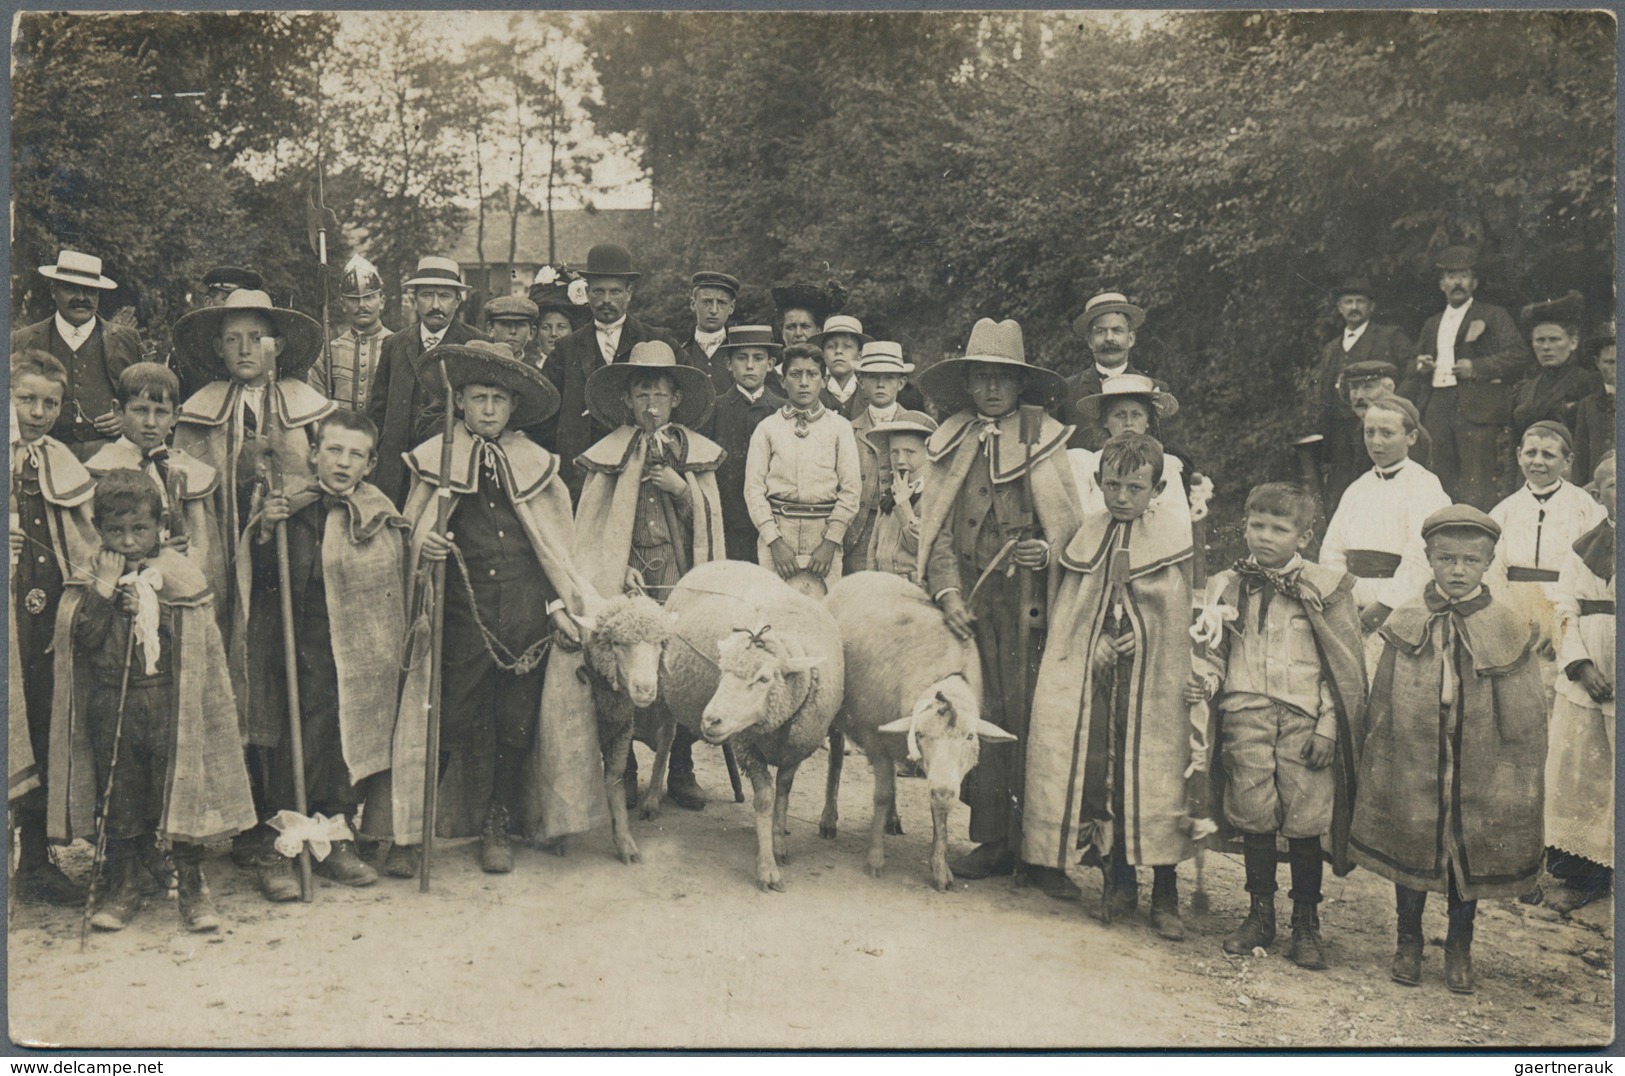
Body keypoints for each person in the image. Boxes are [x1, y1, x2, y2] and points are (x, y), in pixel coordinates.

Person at [378, 341, 597, 878]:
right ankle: (412, 829)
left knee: (516, 723)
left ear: (513, 406)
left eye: (499, 399)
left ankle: (499, 822)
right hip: (463, 613)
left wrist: (556, 605)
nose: (490, 409)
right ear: (460, 403)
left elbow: (553, 549)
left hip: (525, 614)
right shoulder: (436, 460)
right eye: (479, 398)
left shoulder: (536, 464)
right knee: (446, 719)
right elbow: (416, 527)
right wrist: (424, 548)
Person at [169, 288, 335, 880]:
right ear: (217, 347)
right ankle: (245, 824)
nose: (245, 350)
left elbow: (331, 474)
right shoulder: (199, 412)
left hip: (286, 570)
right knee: (235, 682)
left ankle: (292, 817)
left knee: (283, 681)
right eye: (233, 339)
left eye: (256, 338)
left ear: (279, 346)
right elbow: (183, 489)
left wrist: (290, 500)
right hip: (223, 570)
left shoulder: (308, 408)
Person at [1350, 505, 1547, 995]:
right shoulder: (1409, 618)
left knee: (1469, 847)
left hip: (1478, 757)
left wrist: (1514, 768)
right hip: (1416, 752)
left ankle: (1460, 945)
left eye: (1469, 561)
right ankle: (1408, 940)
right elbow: (1383, 697)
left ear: (1487, 563)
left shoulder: (1506, 625)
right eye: (1446, 559)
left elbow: (1525, 715)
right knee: (1413, 838)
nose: (1457, 570)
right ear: (1429, 559)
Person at [49, 470, 256, 932]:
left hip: (166, 701)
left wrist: (152, 611)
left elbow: (196, 637)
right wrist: (104, 593)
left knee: (178, 787)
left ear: (159, 527)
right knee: (120, 793)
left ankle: (192, 883)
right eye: (116, 530)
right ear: (99, 528)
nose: (127, 541)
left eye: (138, 529)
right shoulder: (91, 570)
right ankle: (124, 883)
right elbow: (81, 639)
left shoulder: (176, 571)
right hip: (111, 702)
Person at [914, 318, 1082, 881]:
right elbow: (933, 530)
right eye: (981, 377)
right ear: (968, 383)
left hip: (1029, 609)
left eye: (1003, 379)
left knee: (1034, 717)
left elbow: (1068, 526)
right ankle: (991, 838)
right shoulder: (951, 437)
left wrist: (1045, 550)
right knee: (975, 716)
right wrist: (947, 593)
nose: (992, 389)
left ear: (1019, 384)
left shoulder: (1045, 435)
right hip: (970, 610)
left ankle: (1042, 849)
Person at [1187, 483, 1367, 969]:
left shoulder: (1328, 587)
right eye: (1256, 525)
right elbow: (1214, 651)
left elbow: (1343, 665)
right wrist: (1205, 682)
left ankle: (1306, 922)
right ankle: (1259, 914)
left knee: (1306, 820)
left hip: (1305, 719)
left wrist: (1329, 725)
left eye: (1279, 528)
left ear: (1304, 536)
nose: (1265, 537)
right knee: (1254, 813)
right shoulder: (1229, 583)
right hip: (1245, 712)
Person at [1022, 432, 1192, 934]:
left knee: (1154, 776)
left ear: (1155, 489)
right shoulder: (1087, 534)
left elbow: (1174, 616)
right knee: (1104, 772)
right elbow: (1071, 613)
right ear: (1098, 483)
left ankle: (1165, 891)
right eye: (1113, 484)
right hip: (1098, 685)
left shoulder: (1171, 539)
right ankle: (1119, 880)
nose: (1122, 496)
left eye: (1134, 487)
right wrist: (1091, 643)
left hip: (1151, 687)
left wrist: (1144, 639)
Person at [251, 410, 410, 893]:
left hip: (352, 652)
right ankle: (282, 845)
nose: (343, 463)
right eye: (334, 450)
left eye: (356, 454)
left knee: (341, 735)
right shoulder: (290, 507)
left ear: (370, 463)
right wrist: (264, 530)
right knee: (291, 736)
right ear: (314, 453)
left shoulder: (378, 513)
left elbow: (389, 583)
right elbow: (257, 579)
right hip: (293, 645)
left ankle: (335, 835)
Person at [575, 341, 724, 812]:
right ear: (627, 400)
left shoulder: (692, 453)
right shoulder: (608, 455)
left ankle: (680, 767)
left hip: (678, 575)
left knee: (675, 669)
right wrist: (618, 568)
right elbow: (598, 529)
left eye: (660, 394)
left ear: (676, 399)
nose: (652, 405)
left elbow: (707, 520)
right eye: (642, 395)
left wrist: (682, 491)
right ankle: (627, 769)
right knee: (627, 672)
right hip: (629, 580)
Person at [9, 349, 99, 905]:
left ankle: (37, 860)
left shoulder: (60, 460)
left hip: (48, 621)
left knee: (43, 725)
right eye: (25, 399)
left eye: (51, 402)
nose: (38, 412)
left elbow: (84, 533)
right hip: (9, 618)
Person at [1400, 246, 1533, 509]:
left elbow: (1519, 354)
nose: (1457, 283)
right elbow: (1410, 365)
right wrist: (1420, 365)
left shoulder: (1493, 315)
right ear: (1442, 284)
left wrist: (1476, 367)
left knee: (1477, 483)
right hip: (1436, 406)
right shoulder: (1432, 323)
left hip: (1476, 408)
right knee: (1437, 478)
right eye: (1451, 276)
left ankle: (1477, 540)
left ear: (1474, 282)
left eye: (1463, 276)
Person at [84, 363, 227, 606]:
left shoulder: (190, 470)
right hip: (128, 592)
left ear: (176, 415)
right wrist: (155, 549)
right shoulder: (99, 472)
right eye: (140, 410)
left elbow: (209, 546)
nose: (150, 422)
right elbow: (93, 543)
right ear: (118, 411)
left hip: (184, 588)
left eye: (161, 412)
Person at [1319, 397, 1450, 662]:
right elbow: (1332, 551)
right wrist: (1339, 601)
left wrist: (1385, 606)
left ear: (1411, 437)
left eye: (1387, 433)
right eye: (1370, 432)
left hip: (1399, 606)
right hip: (1348, 605)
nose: (1376, 442)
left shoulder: (1425, 486)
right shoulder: (1357, 488)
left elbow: (1422, 556)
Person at [1541, 453, 1615, 912]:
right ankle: (1581, 877)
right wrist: (1582, 665)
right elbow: (1564, 609)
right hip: (1588, 680)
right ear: (1597, 493)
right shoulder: (1581, 548)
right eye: (1613, 485)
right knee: (1580, 775)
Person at [550, 244, 681, 498]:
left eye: (615, 292)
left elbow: (684, 397)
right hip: (581, 476)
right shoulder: (566, 349)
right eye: (598, 291)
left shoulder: (657, 340)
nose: (606, 300)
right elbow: (546, 415)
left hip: (643, 476)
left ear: (629, 293)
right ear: (587, 292)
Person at [1486, 420, 1606, 686]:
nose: (1537, 461)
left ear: (1567, 461)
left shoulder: (1586, 508)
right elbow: (1492, 572)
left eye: (1548, 455)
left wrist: (1560, 626)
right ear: (1519, 456)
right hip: (1513, 617)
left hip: (1563, 613)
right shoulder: (1504, 510)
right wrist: (1507, 619)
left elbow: (1590, 573)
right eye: (1530, 453)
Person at [367, 256, 490, 506]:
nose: (436, 305)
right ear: (414, 299)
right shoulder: (395, 344)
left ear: (458, 300)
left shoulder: (476, 344)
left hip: (449, 468)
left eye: (444, 296)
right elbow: (377, 412)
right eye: (427, 295)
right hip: (394, 472)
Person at [743, 343, 862, 589]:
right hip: (777, 536)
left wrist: (831, 542)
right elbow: (753, 491)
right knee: (774, 613)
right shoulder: (767, 428)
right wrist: (774, 541)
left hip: (823, 538)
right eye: (795, 375)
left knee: (823, 613)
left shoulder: (839, 428)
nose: (804, 382)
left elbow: (851, 490)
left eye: (812, 374)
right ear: (783, 380)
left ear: (824, 380)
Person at [10, 251, 143, 461]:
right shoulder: (21, 340)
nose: (81, 298)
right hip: (41, 456)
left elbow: (146, 398)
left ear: (98, 294)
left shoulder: (127, 340)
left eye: (90, 290)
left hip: (110, 458)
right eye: (70, 288)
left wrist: (127, 418)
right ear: (53, 290)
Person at [1306, 277, 1413, 467]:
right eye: (1348, 302)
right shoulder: (1331, 348)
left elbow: (1412, 376)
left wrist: (1393, 408)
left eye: (1360, 301)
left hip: (1377, 429)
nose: (1354, 307)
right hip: (1339, 434)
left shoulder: (1390, 337)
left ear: (1371, 306)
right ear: (1340, 307)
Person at [706, 325, 786, 561]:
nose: (750, 366)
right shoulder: (714, 409)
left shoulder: (783, 410)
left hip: (777, 527)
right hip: (730, 525)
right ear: (729, 364)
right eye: (742, 358)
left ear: (770, 365)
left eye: (758, 358)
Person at [1062, 291, 1173, 451]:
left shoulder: (1157, 390)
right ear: (1090, 341)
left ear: (1131, 339)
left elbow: (1179, 459)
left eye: (1117, 330)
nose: (1109, 338)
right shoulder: (1067, 392)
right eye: (1100, 331)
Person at [1321, 360, 1434, 512]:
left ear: (1390, 389)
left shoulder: (1408, 435)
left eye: (1368, 387)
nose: (1359, 396)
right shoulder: (1348, 431)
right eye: (1354, 388)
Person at [844, 340, 914, 574]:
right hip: (858, 531)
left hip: (901, 526)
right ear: (861, 382)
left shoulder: (917, 428)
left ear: (901, 382)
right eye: (873, 377)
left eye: (889, 377)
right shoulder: (848, 430)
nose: (881, 384)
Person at [1511, 292, 1602, 438]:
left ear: (1573, 342)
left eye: (1554, 339)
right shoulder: (1524, 389)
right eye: (1540, 340)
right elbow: (1514, 442)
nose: (1546, 347)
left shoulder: (1588, 383)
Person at [309, 255, 391, 414]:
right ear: (343, 304)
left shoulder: (398, 345)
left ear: (381, 301)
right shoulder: (330, 350)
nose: (361, 305)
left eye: (369, 297)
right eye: (354, 299)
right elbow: (315, 401)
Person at [863, 410, 937, 582]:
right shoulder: (892, 491)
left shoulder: (934, 494)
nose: (900, 460)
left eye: (909, 452)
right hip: (883, 587)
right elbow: (873, 548)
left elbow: (921, 546)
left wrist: (904, 505)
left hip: (914, 588)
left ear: (928, 453)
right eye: (895, 452)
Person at [677, 270, 741, 394]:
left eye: (722, 303)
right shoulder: (680, 354)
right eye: (707, 302)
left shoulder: (741, 354)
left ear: (731, 308)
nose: (714, 310)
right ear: (693, 304)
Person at [1570, 320, 1615, 486]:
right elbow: (1580, 460)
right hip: (1596, 490)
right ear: (1597, 362)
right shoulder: (1588, 405)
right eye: (1609, 362)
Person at [809, 314, 873, 418]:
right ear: (823, 353)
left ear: (860, 355)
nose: (838, 351)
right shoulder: (811, 393)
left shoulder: (870, 394)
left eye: (847, 346)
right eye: (831, 346)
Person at [483, 294, 540, 363]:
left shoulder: (536, 372)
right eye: (505, 324)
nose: (513, 331)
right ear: (490, 329)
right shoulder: (476, 366)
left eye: (520, 325)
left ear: (531, 333)